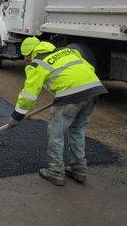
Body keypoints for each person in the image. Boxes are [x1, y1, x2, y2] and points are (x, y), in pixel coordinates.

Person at [8, 37, 108, 186]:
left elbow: (28, 94)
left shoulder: (38, 64)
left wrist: (16, 116)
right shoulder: (68, 51)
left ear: (29, 53)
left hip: (71, 95)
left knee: (56, 133)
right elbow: (87, 69)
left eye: (26, 57)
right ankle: (79, 170)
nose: (27, 60)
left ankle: (55, 172)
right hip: (93, 89)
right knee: (77, 130)